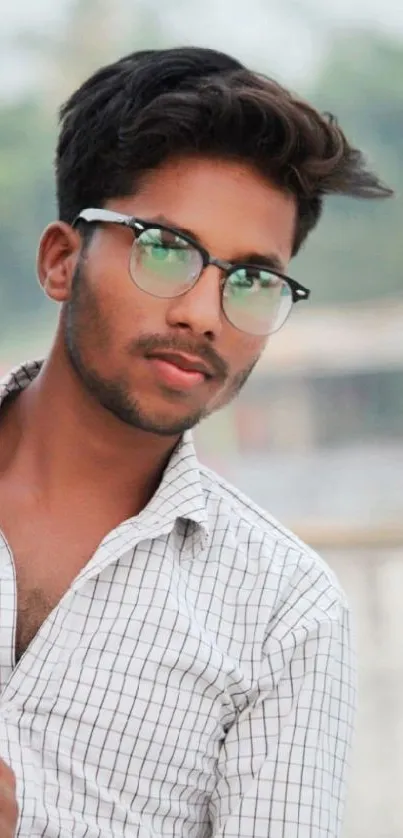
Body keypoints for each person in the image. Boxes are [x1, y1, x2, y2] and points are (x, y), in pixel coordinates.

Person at [0, 46, 392, 838]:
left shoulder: (283, 612)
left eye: (252, 280)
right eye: (165, 249)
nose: (204, 314)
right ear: (61, 260)